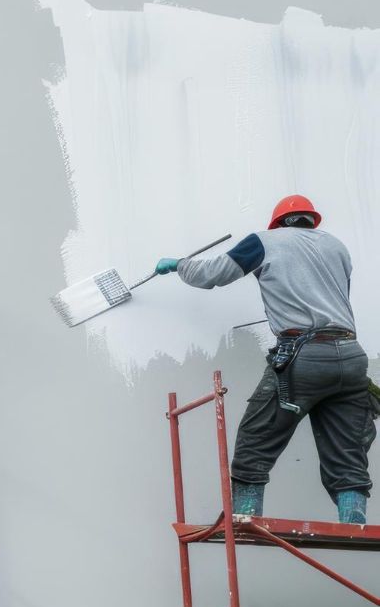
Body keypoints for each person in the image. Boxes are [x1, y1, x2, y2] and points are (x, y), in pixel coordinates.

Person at [156, 194, 375, 524]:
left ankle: (246, 519)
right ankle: (354, 522)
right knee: (347, 453)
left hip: (303, 357)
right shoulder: (336, 247)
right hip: (350, 358)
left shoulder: (264, 241)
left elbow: (212, 274)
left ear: (277, 223)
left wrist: (179, 266)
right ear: (310, 220)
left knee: (255, 441)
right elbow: (329, 296)